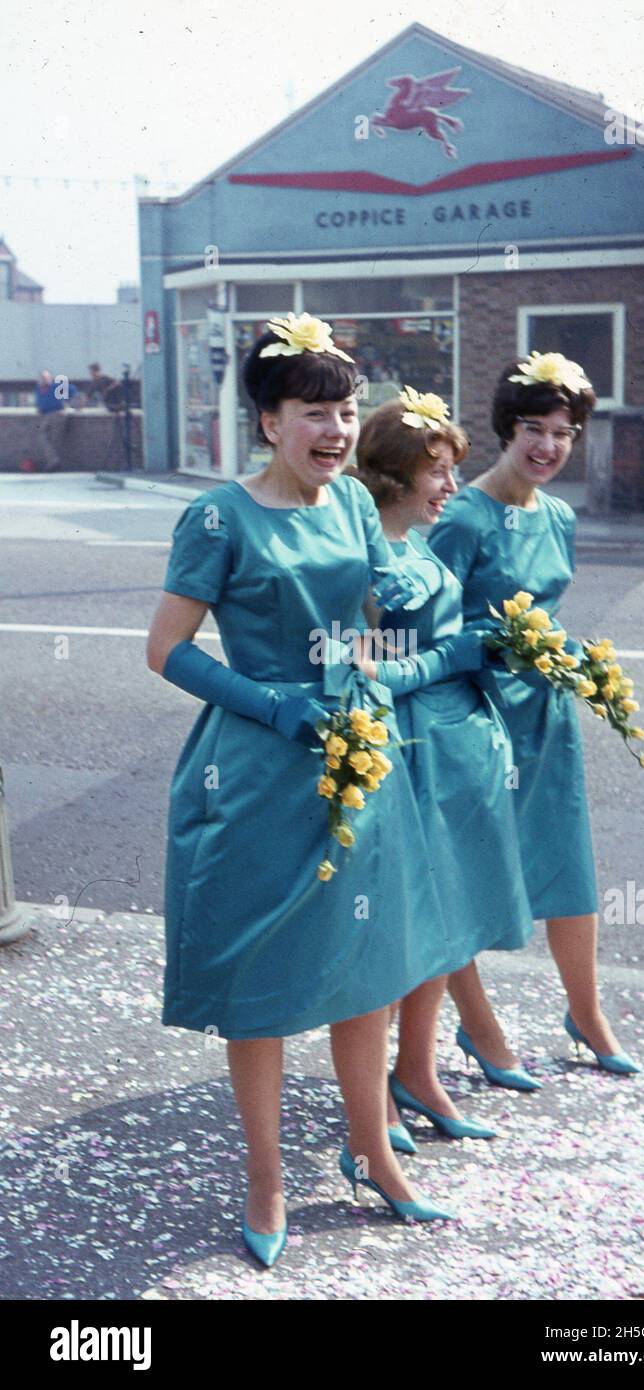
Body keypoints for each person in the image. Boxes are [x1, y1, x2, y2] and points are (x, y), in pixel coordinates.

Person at [146, 313, 484, 1269]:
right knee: (260, 979)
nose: (335, 431)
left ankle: (372, 1148)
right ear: (268, 421)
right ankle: (265, 1175)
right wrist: (273, 705)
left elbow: (374, 615)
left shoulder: (345, 507)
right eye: (312, 413)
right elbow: (164, 649)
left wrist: (410, 605)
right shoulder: (219, 515)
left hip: (356, 752)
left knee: (364, 964)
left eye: (344, 411)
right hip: (257, 764)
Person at [428, 353, 641, 1083]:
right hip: (476, 714)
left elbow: (547, 615)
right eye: (533, 428)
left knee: (569, 869)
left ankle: (586, 1012)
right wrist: (498, 645)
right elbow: (426, 629)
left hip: (546, 718)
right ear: (504, 428)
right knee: (462, 877)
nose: (548, 446)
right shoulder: (461, 517)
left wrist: (577, 663)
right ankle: (479, 1028)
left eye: (564, 431)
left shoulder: (559, 515)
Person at [351, 387, 539, 1147]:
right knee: (401, 922)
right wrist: (444, 656)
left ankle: (418, 1070)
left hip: (454, 749)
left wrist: (488, 649)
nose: (453, 488)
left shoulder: (424, 544)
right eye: (439, 473)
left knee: (448, 914)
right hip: (403, 751)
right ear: (396, 474)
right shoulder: (366, 559)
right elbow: (363, 669)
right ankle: (378, 1094)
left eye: (456, 472)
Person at [35, 368, 79, 472]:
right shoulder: (39, 388)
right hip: (45, 415)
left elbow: (73, 390)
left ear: (50, 378)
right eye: (42, 378)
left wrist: (68, 406)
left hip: (57, 414)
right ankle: (53, 461)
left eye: (46, 378)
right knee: (42, 435)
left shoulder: (56, 386)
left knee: (55, 439)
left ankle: (53, 463)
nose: (44, 380)